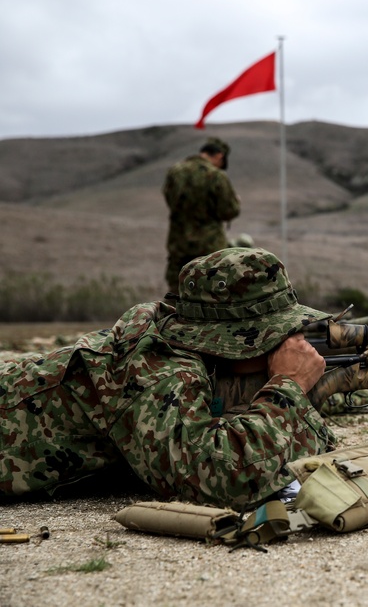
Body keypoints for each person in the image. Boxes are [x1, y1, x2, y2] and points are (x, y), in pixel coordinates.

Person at [0, 248, 333, 509]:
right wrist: (288, 386)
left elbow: (297, 450)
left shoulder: (194, 356)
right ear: (232, 339)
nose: (291, 341)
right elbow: (223, 480)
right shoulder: (159, 370)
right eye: (279, 333)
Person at [162, 137, 241, 294]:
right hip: (210, 248)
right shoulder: (216, 176)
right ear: (219, 156)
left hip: (179, 244)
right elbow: (229, 210)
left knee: (177, 294)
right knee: (212, 294)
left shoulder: (175, 172)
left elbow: (170, 200)